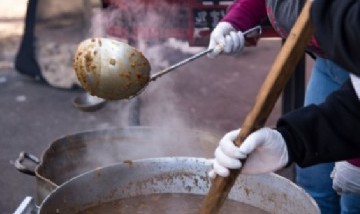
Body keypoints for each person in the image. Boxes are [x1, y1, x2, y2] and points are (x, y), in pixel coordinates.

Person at [206, 0, 360, 213]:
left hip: (353, 67)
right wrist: (234, 21)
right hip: (330, 65)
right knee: (313, 181)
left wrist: (356, 158)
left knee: (353, 197)